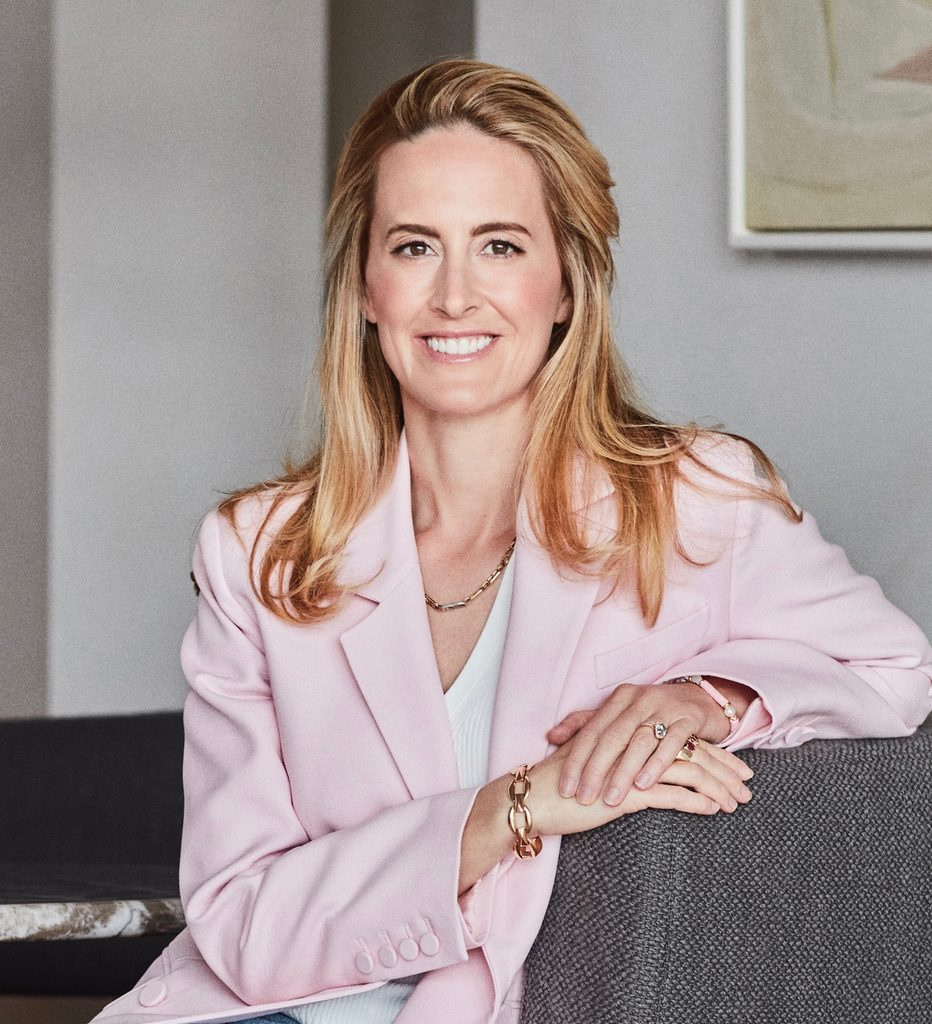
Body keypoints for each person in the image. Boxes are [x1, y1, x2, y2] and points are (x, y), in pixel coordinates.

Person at [90, 60, 932, 1024]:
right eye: (414, 247)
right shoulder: (260, 553)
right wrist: (515, 808)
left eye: (499, 245)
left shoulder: (697, 498)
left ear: (566, 284)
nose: (455, 297)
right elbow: (242, 923)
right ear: (365, 287)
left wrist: (711, 698)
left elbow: (897, 672)